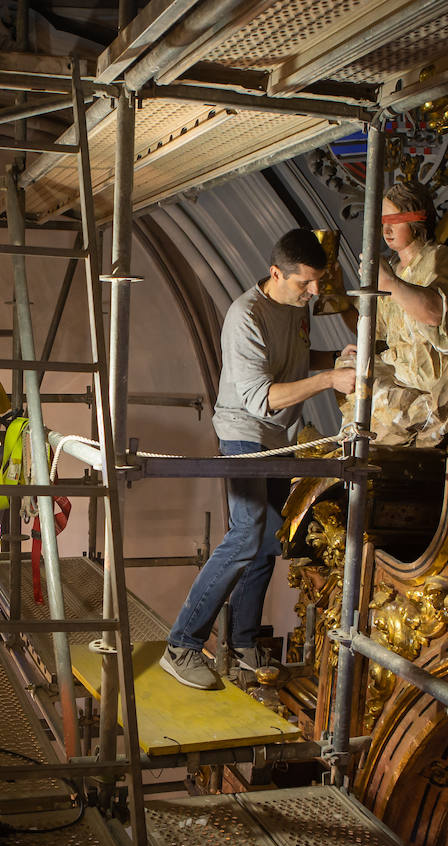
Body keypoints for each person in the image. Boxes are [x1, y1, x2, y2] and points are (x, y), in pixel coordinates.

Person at [160, 229, 356, 690]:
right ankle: (182, 645)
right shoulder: (245, 316)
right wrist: (330, 379)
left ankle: (243, 645)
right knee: (246, 533)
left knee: (269, 540)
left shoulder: (295, 303)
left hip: (279, 437)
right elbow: (261, 397)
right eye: (305, 284)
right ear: (275, 273)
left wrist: (336, 357)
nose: (313, 293)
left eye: (316, 283)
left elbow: (293, 360)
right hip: (245, 433)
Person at [339, 182, 448, 446]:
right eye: (383, 222)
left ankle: (409, 421)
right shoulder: (391, 266)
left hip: (428, 374)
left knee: (376, 397)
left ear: (417, 221)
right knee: (348, 369)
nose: (386, 230)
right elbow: (373, 329)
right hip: (398, 368)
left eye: (395, 221)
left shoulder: (436, 258)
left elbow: (438, 315)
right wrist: (338, 299)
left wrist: (391, 284)